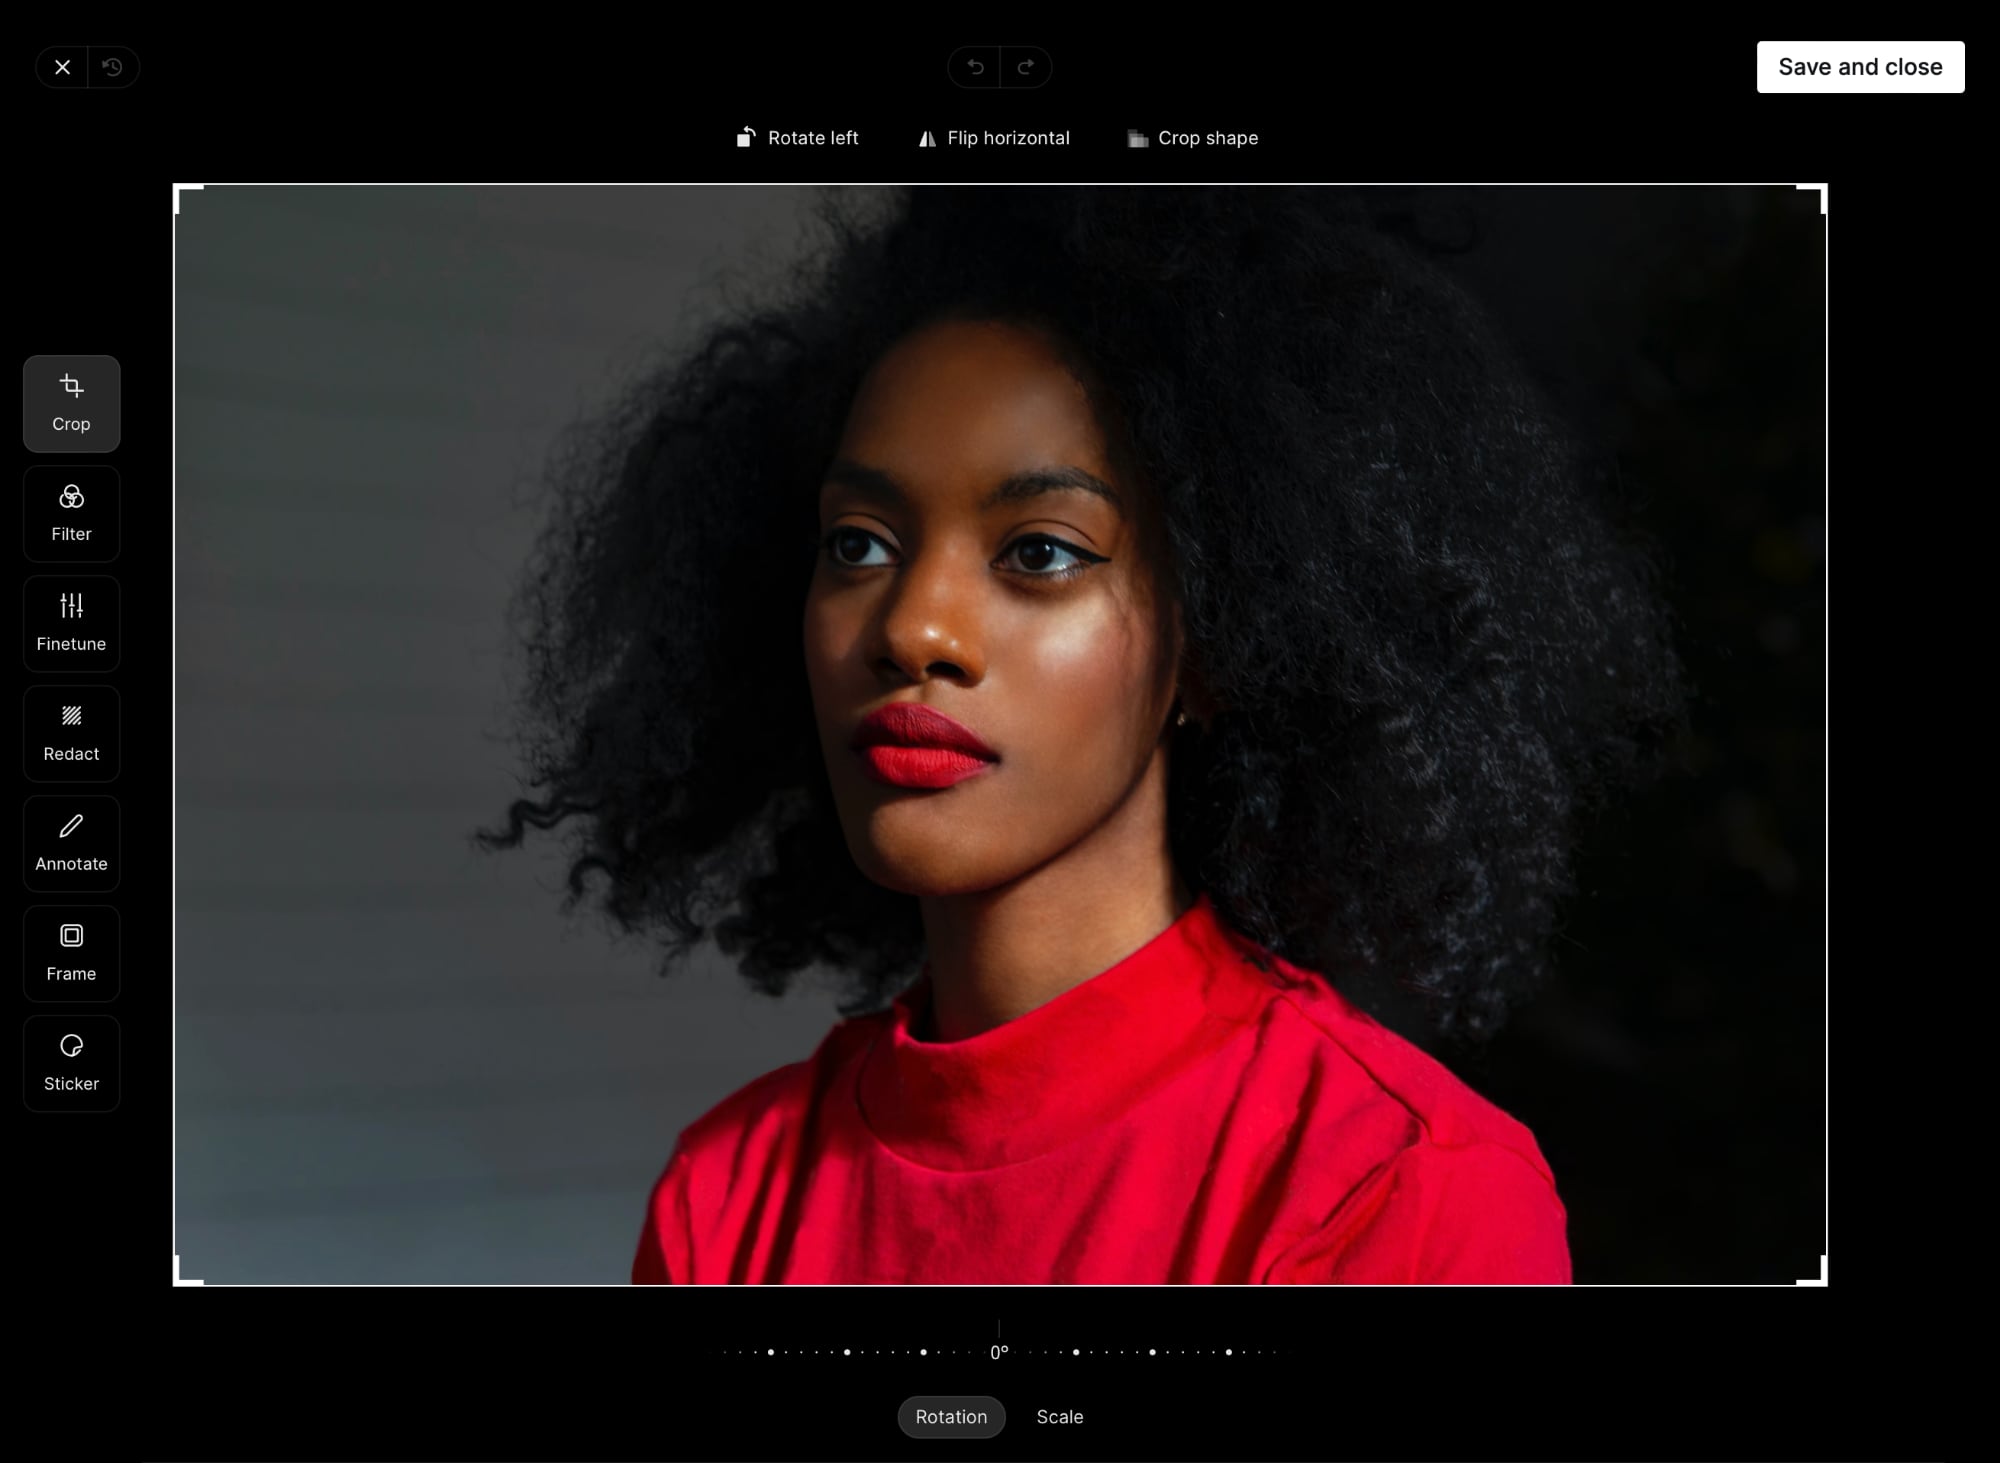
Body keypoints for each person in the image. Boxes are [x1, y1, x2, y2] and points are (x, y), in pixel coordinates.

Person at [483, 187, 1685, 1283]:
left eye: (1040, 552)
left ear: (1211, 645)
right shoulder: (727, 1198)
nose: (911, 627)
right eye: (858, 543)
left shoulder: (1391, 1189)